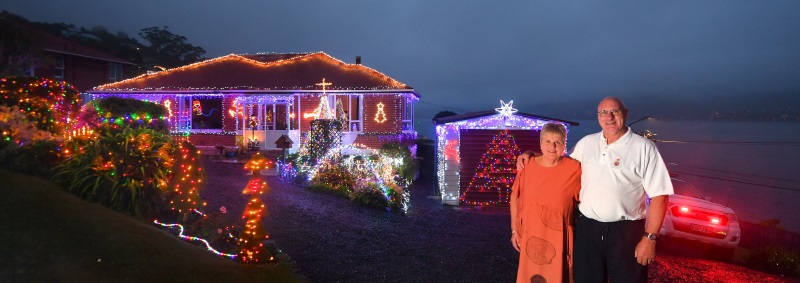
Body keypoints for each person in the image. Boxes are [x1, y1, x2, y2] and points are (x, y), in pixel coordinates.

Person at [518, 97, 673, 282]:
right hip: (587, 229)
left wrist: (650, 238)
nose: (609, 117)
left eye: (615, 112)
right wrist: (531, 155)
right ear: (598, 116)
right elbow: (559, 162)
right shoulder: (587, 143)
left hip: (626, 232)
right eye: (603, 113)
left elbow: (660, 195)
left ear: (626, 113)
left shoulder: (644, 148)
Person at [510, 122, 581, 283]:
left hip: (560, 236)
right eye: (547, 141)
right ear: (541, 143)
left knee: (557, 275)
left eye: (557, 142)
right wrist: (514, 230)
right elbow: (514, 197)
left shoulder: (575, 168)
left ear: (564, 145)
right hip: (530, 234)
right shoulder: (527, 165)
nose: (552, 146)